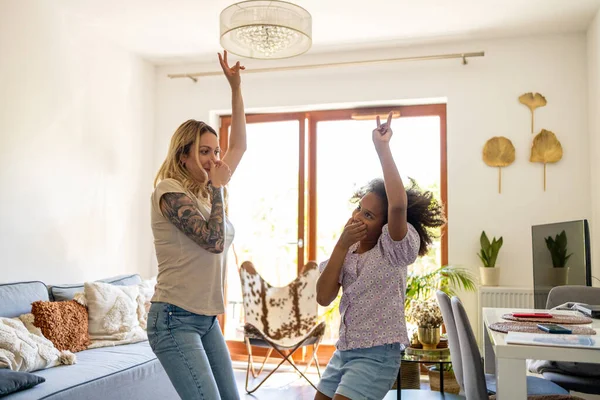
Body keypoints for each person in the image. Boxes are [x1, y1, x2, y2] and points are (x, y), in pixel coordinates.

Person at [314, 112, 446, 400]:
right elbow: (323, 297)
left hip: (377, 356)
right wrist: (340, 245)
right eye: (360, 209)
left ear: (386, 223)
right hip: (344, 351)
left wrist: (382, 148)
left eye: (369, 215)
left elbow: (398, 205)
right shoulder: (347, 249)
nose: (358, 216)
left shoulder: (392, 248)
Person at [147, 51, 246, 400]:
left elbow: (240, 145)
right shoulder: (168, 191)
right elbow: (213, 240)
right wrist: (218, 187)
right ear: (183, 155)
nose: (214, 159)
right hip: (173, 318)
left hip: (205, 319)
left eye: (215, 152)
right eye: (204, 151)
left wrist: (235, 87)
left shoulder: (206, 192)